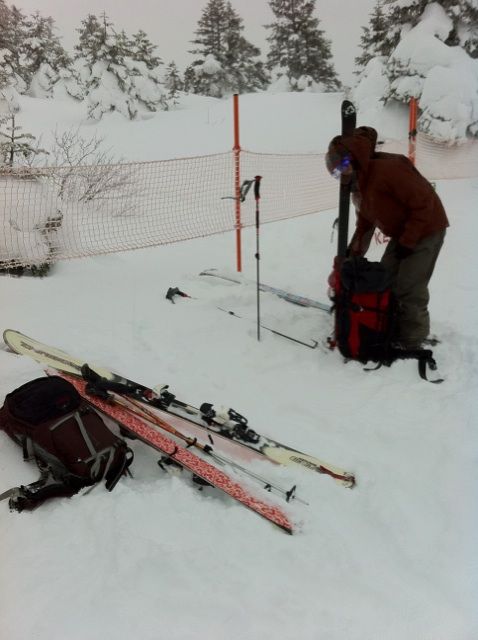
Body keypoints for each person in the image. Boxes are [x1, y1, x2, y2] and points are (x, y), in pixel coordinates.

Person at [325, 126, 449, 350]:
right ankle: (389, 326)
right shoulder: (360, 185)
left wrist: (408, 241)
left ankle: (412, 340)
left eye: (344, 167)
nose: (341, 174)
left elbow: (424, 204)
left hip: (427, 227)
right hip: (403, 232)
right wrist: (350, 256)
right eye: (336, 171)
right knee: (385, 279)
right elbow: (365, 225)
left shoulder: (387, 171)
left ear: (354, 160)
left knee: (409, 285)